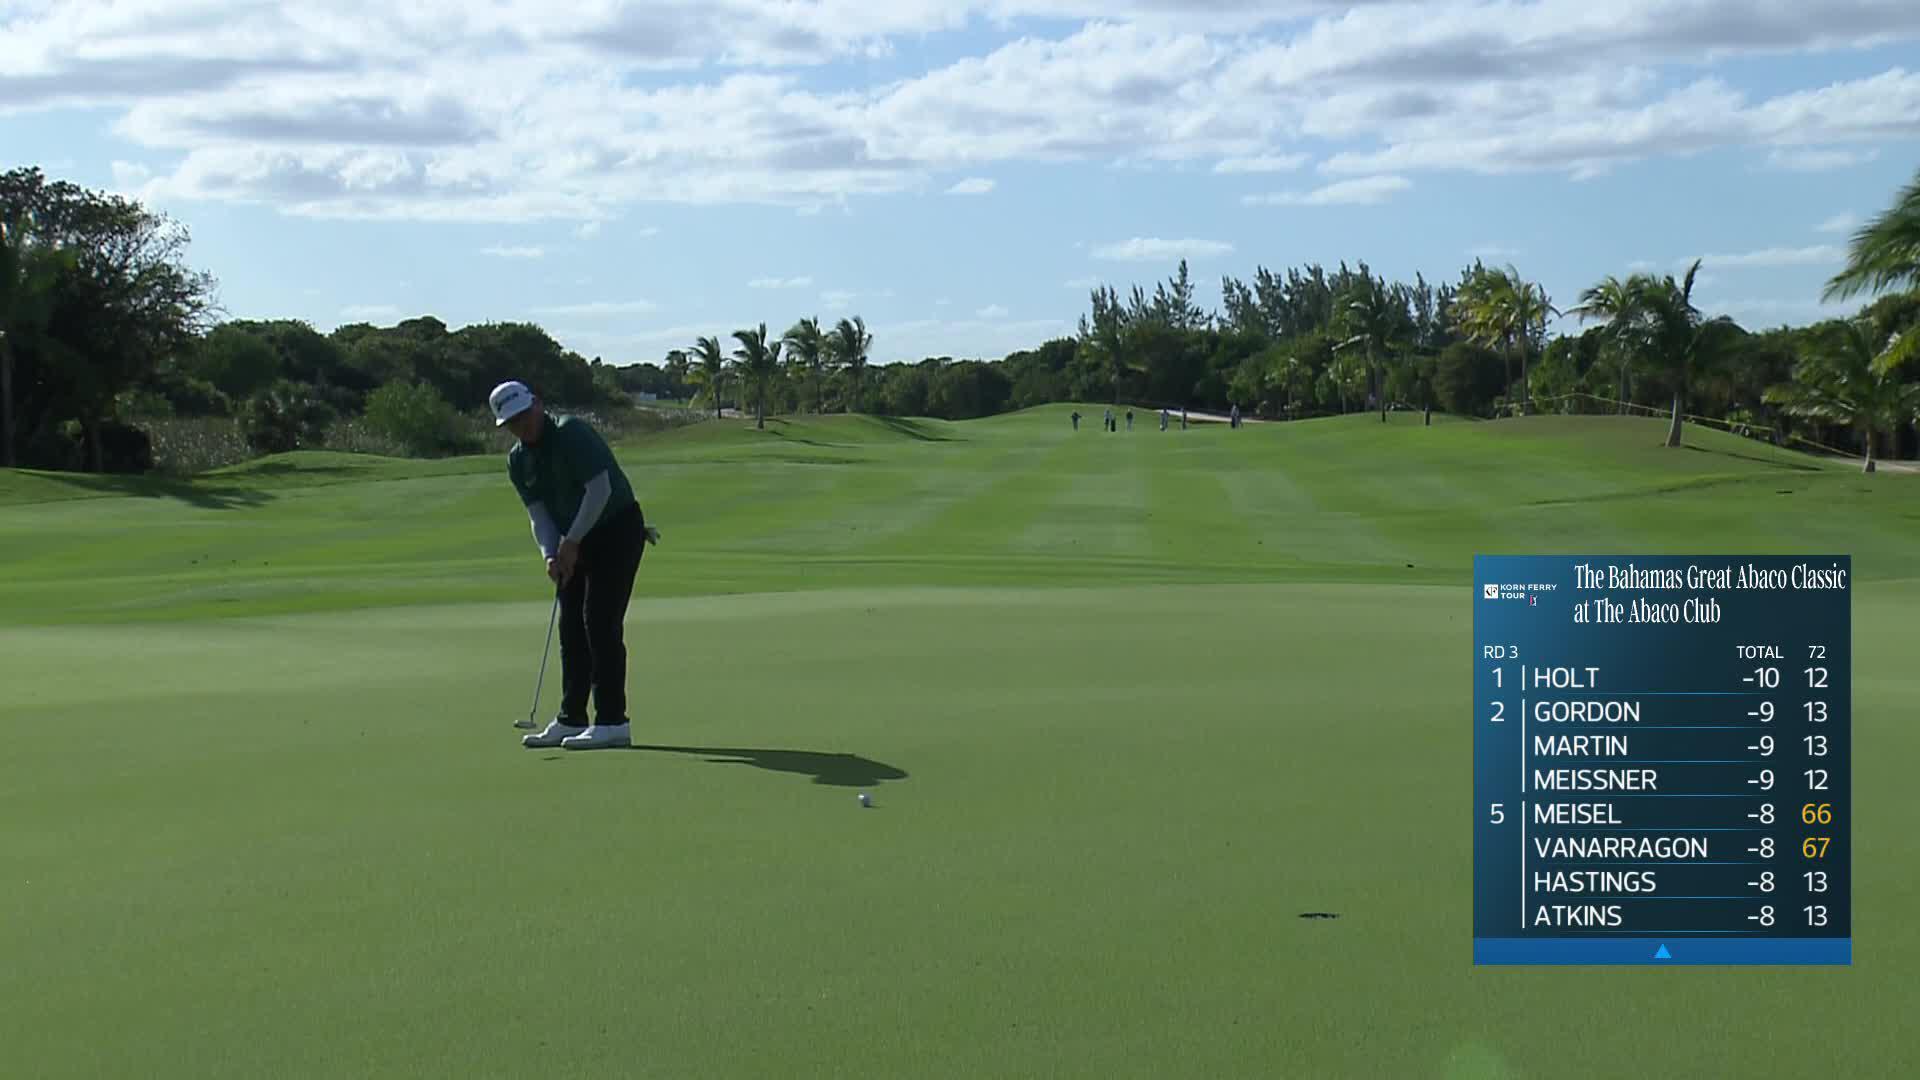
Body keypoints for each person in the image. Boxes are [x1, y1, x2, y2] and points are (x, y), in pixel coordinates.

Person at [493, 380, 658, 750]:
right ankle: (571, 718)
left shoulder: (571, 432)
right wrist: (551, 554)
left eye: (524, 416)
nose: (522, 426)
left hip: (616, 529)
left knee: (599, 621)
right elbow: (538, 514)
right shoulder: (518, 460)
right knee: (571, 627)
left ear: (537, 403)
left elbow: (599, 490)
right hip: (573, 538)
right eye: (512, 423)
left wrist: (572, 542)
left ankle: (613, 721)